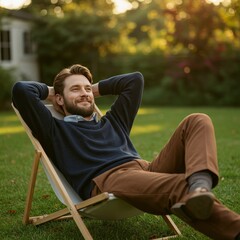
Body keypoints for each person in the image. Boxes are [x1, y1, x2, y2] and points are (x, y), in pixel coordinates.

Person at [12, 64, 240, 239]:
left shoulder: (113, 121)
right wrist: (55, 90)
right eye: (75, 90)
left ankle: (200, 186)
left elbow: (134, 80)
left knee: (197, 120)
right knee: (181, 185)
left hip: (145, 169)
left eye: (87, 89)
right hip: (110, 179)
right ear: (59, 99)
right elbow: (22, 90)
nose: (85, 93)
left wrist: (91, 89)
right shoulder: (55, 130)